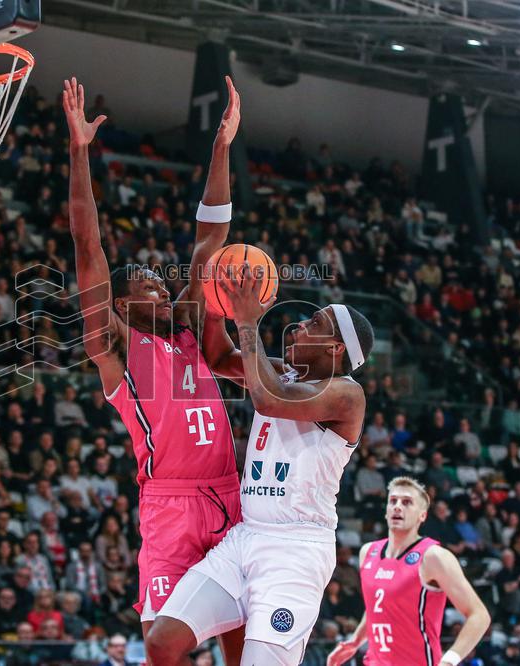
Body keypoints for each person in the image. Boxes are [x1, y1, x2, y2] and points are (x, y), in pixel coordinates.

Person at [63, 76, 245, 659]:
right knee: (163, 649)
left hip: (228, 498)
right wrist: (78, 152)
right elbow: (89, 249)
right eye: (146, 287)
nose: (162, 291)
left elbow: (210, 238)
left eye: (161, 284)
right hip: (168, 507)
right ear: (118, 307)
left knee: (245, 645)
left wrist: (221, 149)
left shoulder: (191, 328)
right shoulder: (114, 348)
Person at [149, 268, 374, 666]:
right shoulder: (281, 374)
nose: (298, 326)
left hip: (295, 552)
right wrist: (219, 308)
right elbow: (218, 358)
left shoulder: (346, 395)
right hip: (246, 537)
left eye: (314, 323)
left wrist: (249, 321)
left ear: (336, 349)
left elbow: (270, 399)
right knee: (162, 643)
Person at [327, 477, 491, 666]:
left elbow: (480, 615)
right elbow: (376, 608)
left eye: (407, 502)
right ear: (387, 512)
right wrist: (355, 641)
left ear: (422, 515)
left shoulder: (433, 557)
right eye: (393, 501)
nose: (398, 507)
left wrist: (449, 661)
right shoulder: (368, 552)